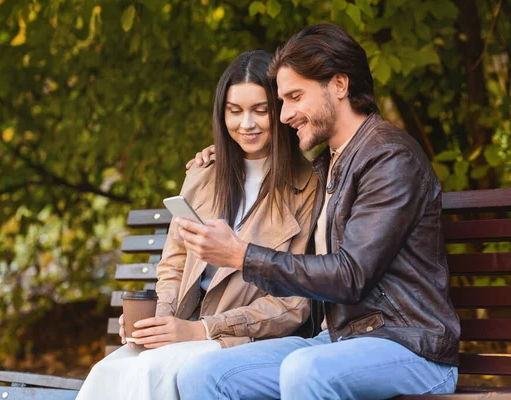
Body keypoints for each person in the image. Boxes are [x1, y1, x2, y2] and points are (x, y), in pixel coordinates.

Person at [175, 23, 460, 399]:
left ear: (339, 85)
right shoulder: (327, 166)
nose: (283, 114)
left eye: (295, 97)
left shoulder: (389, 158)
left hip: (409, 346)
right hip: (339, 341)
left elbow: (350, 275)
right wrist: (222, 155)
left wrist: (240, 255)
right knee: (204, 373)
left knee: (305, 370)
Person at [75, 50, 318, 400]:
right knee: (109, 370)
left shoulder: (305, 187)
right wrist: (157, 323)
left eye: (260, 110)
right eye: (234, 111)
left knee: (149, 372)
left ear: (280, 111)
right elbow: (173, 264)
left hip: (242, 340)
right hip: (184, 328)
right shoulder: (204, 173)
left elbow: (294, 304)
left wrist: (200, 329)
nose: (246, 124)